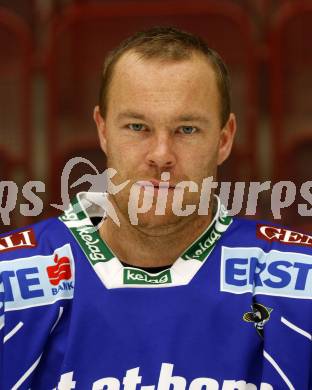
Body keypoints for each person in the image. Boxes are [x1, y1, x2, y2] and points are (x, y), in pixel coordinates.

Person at [0, 26, 311, 389]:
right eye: (137, 126)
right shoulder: (11, 280)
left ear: (224, 139)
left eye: (187, 130)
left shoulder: (301, 282)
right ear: (102, 130)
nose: (161, 155)